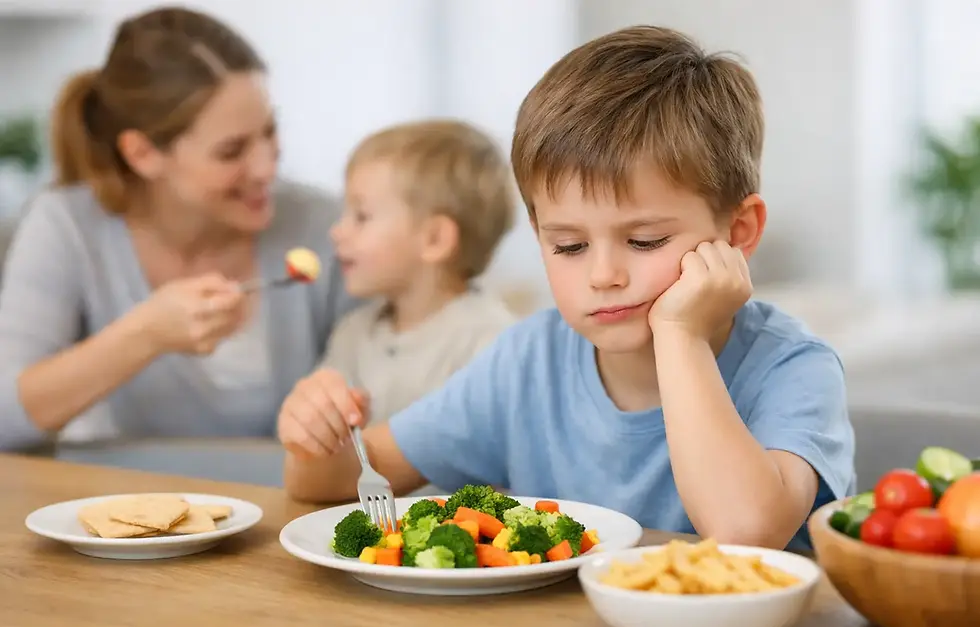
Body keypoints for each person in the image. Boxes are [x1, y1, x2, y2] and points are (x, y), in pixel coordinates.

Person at [277, 26, 856, 550]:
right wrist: (317, 439)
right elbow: (337, 482)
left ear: (739, 231)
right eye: (570, 246)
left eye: (645, 240)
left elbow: (744, 532)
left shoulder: (792, 366)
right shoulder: (528, 359)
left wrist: (680, 334)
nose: (603, 274)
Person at [0, 6, 356, 451]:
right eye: (231, 151)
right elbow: (5, 419)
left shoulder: (327, 226)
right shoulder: (68, 226)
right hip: (117, 492)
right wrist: (145, 335)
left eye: (269, 132)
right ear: (142, 154)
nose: (266, 167)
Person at [286, 119, 515, 441]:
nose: (336, 232)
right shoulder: (353, 334)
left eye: (361, 216)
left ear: (434, 239)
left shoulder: (493, 344)